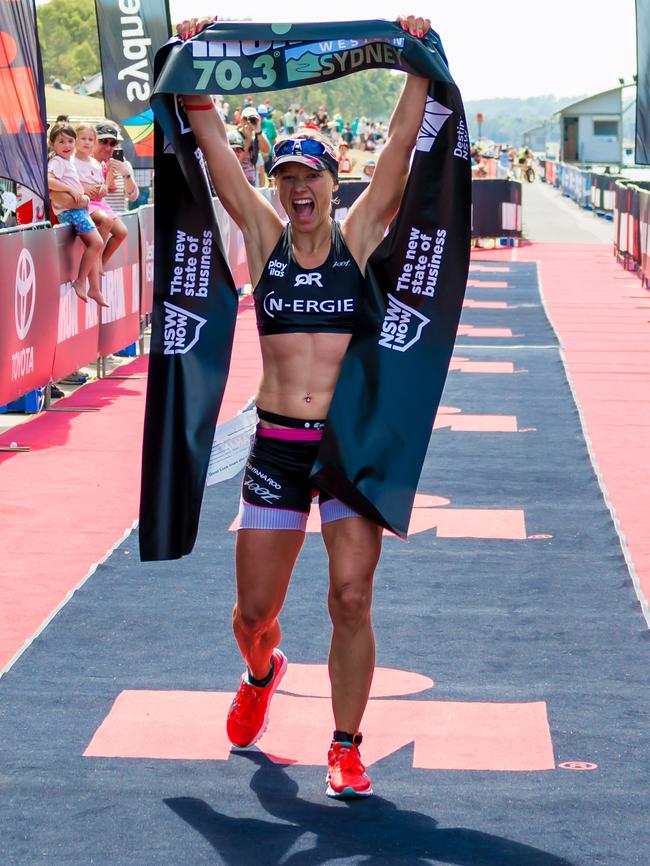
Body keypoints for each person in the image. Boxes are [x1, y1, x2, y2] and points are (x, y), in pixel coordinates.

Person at [176, 12, 431, 799]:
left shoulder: (357, 239)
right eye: (286, 176)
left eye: (309, 176)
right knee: (253, 613)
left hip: (347, 448)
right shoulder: (262, 234)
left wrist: (418, 62)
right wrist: (197, 59)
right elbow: (217, 156)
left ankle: (346, 744)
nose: (296, 187)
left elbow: (395, 155)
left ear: (330, 184)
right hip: (278, 450)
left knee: (351, 595)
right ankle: (262, 672)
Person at [47, 122, 107, 306]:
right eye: (61, 141)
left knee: (94, 246)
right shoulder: (57, 161)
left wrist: (81, 195)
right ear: (52, 144)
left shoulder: (65, 161)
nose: (66, 145)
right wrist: (71, 191)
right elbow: (48, 180)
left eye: (70, 141)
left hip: (78, 209)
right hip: (72, 212)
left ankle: (95, 289)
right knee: (96, 243)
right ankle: (81, 281)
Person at [92, 123, 135, 268]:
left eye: (113, 143)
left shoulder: (124, 166)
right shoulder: (86, 163)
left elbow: (133, 196)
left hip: (115, 233)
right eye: (103, 141)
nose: (108, 147)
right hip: (93, 229)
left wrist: (126, 175)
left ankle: (100, 265)